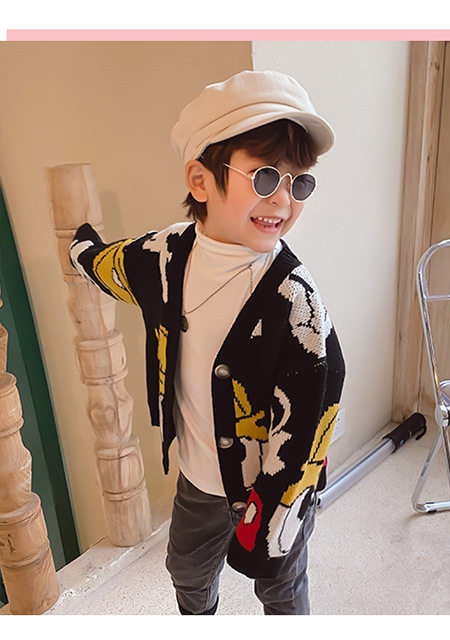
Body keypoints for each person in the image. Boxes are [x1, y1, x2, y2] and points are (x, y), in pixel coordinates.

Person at [68, 70, 345, 615]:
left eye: (299, 183)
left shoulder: (296, 304)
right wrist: (82, 251)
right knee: (187, 573)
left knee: (280, 585)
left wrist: (271, 521)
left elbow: (312, 419)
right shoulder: (166, 256)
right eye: (265, 177)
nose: (283, 200)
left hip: (273, 491)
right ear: (200, 180)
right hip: (198, 478)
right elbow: (115, 266)